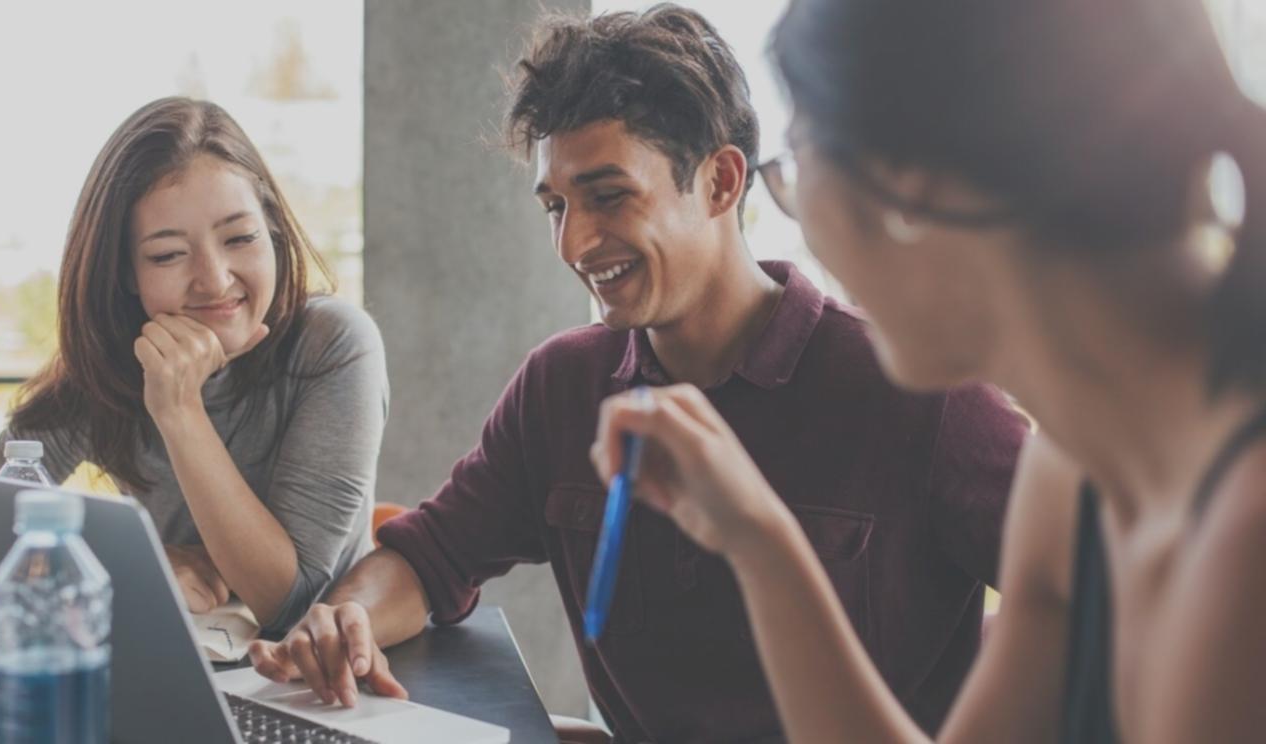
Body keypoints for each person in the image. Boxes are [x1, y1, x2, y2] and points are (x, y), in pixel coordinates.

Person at [247, 7, 1027, 741]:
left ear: (722, 182)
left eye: (609, 196)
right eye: (555, 206)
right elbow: (431, 556)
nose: (575, 243)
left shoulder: (920, 394)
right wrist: (345, 616)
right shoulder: (562, 387)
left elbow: (1098, 615)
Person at [592, 0, 1266, 741]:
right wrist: (758, 540)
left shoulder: (1243, 540)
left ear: (915, 191)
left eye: (793, 169)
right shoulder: (1071, 468)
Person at [0, 97, 388, 632]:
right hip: (169, 669)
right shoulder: (111, 369)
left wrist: (179, 409)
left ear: (272, 231)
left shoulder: (333, 345)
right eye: (168, 254)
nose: (215, 278)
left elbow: (288, 601)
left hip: (319, 684)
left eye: (240, 238)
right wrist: (130, 564)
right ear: (126, 273)